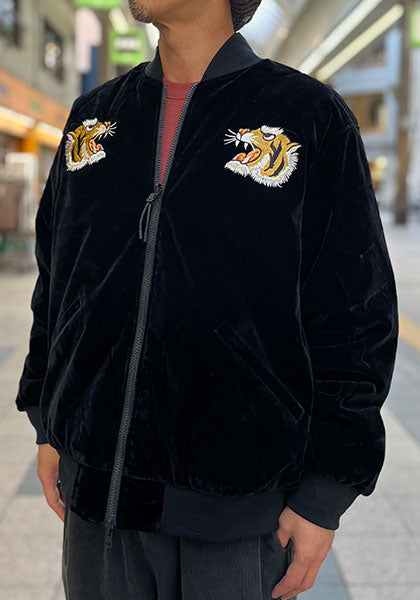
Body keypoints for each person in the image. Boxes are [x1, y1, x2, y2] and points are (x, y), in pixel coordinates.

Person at [15, 0, 399, 598]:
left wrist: (325, 492)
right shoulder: (95, 117)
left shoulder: (307, 117)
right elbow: (57, 279)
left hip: (238, 511)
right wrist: (48, 417)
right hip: (96, 504)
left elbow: (356, 315)